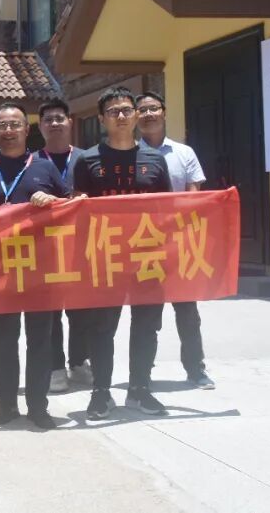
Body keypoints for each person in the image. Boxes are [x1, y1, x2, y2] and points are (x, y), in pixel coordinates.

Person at [0, 102, 71, 430]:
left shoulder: (46, 168)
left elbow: (72, 209)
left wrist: (53, 201)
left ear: (27, 129)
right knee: (2, 342)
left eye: (15, 124)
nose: (9, 130)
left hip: (41, 270)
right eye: (2, 125)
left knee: (40, 341)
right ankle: (6, 405)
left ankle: (38, 407)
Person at [73, 86, 172, 420]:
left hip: (147, 256)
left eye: (127, 110)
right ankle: (101, 392)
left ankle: (140, 390)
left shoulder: (155, 160)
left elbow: (166, 210)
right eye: (113, 111)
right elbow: (78, 211)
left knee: (147, 325)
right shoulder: (87, 160)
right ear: (101, 119)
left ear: (135, 115)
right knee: (102, 327)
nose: (121, 116)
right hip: (105, 257)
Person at [136, 91, 214, 390]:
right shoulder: (130, 154)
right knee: (147, 314)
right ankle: (143, 373)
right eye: (142, 110)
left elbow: (195, 195)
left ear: (164, 112)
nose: (148, 114)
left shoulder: (184, 152)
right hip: (145, 244)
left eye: (153, 108)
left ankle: (196, 369)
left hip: (180, 243)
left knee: (187, 311)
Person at [33, 98, 91, 393]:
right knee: (50, 311)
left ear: (70, 121)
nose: (54, 123)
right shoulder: (31, 162)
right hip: (46, 249)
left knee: (81, 309)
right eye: (48, 119)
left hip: (81, 246)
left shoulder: (87, 159)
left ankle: (79, 362)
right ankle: (55, 366)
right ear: (40, 126)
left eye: (59, 118)